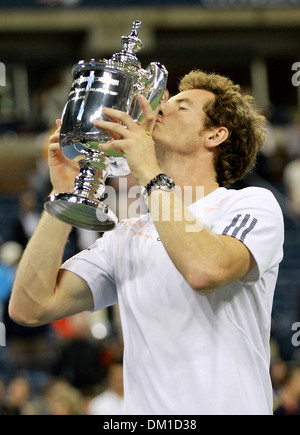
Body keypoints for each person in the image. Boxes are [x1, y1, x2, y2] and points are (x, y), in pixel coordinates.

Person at [9, 69, 284, 415]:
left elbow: (206, 270)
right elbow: (29, 307)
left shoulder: (250, 204)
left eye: (182, 107)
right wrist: (63, 196)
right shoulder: (127, 232)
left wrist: (150, 174)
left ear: (215, 134)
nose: (161, 108)